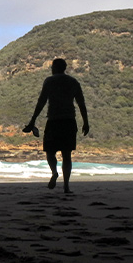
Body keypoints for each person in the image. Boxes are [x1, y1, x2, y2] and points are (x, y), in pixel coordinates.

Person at [23, 58, 90, 194]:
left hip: (53, 121)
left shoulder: (49, 81)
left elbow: (41, 102)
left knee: (49, 151)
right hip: (69, 121)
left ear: (54, 68)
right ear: (64, 68)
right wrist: (86, 122)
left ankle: (54, 172)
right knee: (67, 155)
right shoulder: (73, 82)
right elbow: (81, 103)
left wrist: (32, 121)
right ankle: (66, 186)